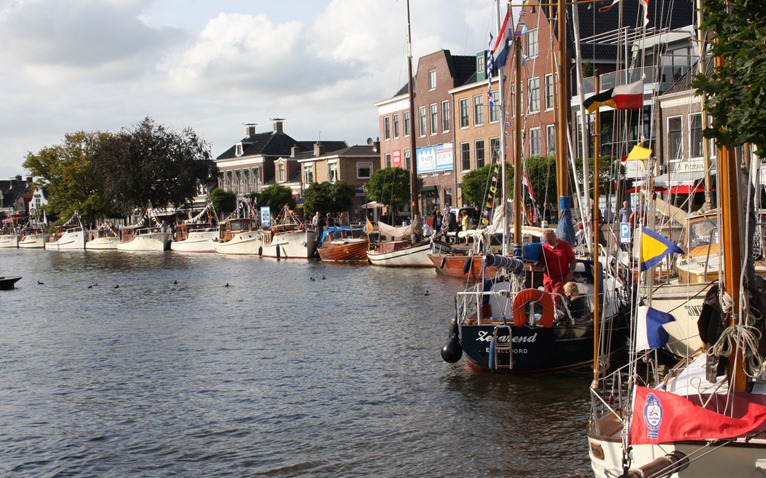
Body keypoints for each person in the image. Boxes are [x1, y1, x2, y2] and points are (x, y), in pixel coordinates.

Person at [537, 229, 577, 301]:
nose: (548, 242)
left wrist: (571, 273)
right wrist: (533, 267)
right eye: (547, 240)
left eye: (550, 240)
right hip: (548, 279)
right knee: (547, 299)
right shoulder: (544, 248)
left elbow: (573, 260)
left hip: (561, 278)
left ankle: (557, 308)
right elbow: (542, 263)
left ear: (554, 236)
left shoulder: (565, 245)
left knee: (556, 297)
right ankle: (551, 309)